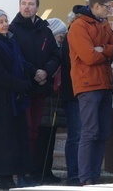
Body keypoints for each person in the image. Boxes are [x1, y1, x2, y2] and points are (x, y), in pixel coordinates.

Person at [9, 0, 60, 184]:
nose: (27, 7)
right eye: (24, 3)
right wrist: (34, 72)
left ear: (37, 8)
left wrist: (46, 71)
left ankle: (29, 171)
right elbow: (16, 57)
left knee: (34, 131)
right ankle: (19, 172)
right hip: (23, 88)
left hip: (41, 88)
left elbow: (55, 55)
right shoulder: (13, 29)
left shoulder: (44, 30)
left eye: (31, 4)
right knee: (23, 129)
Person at [67, 0, 113, 185]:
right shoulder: (79, 26)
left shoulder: (104, 24)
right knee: (90, 132)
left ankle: (95, 176)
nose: (109, 11)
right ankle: (85, 179)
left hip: (104, 83)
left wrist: (103, 49)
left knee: (103, 132)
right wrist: (106, 53)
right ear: (96, 6)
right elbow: (88, 56)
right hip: (87, 85)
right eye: (107, 7)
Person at [0, 9, 32, 190]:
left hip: (14, 99)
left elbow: (20, 63)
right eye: (0, 21)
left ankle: (7, 176)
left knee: (11, 139)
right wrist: (21, 85)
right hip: (0, 99)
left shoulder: (11, 41)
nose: (5, 24)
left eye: (6, 20)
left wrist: (34, 74)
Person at [32, 18, 67, 184]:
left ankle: (47, 170)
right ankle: (38, 171)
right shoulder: (44, 48)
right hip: (44, 99)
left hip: (54, 101)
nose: (61, 39)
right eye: (60, 36)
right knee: (41, 138)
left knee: (50, 137)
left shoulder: (57, 49)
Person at [60, 12, 81, 186]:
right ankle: (73, 173)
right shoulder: (69, 39)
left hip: (80, 91)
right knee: (75, 135)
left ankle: (80, 172)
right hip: (72, 93)